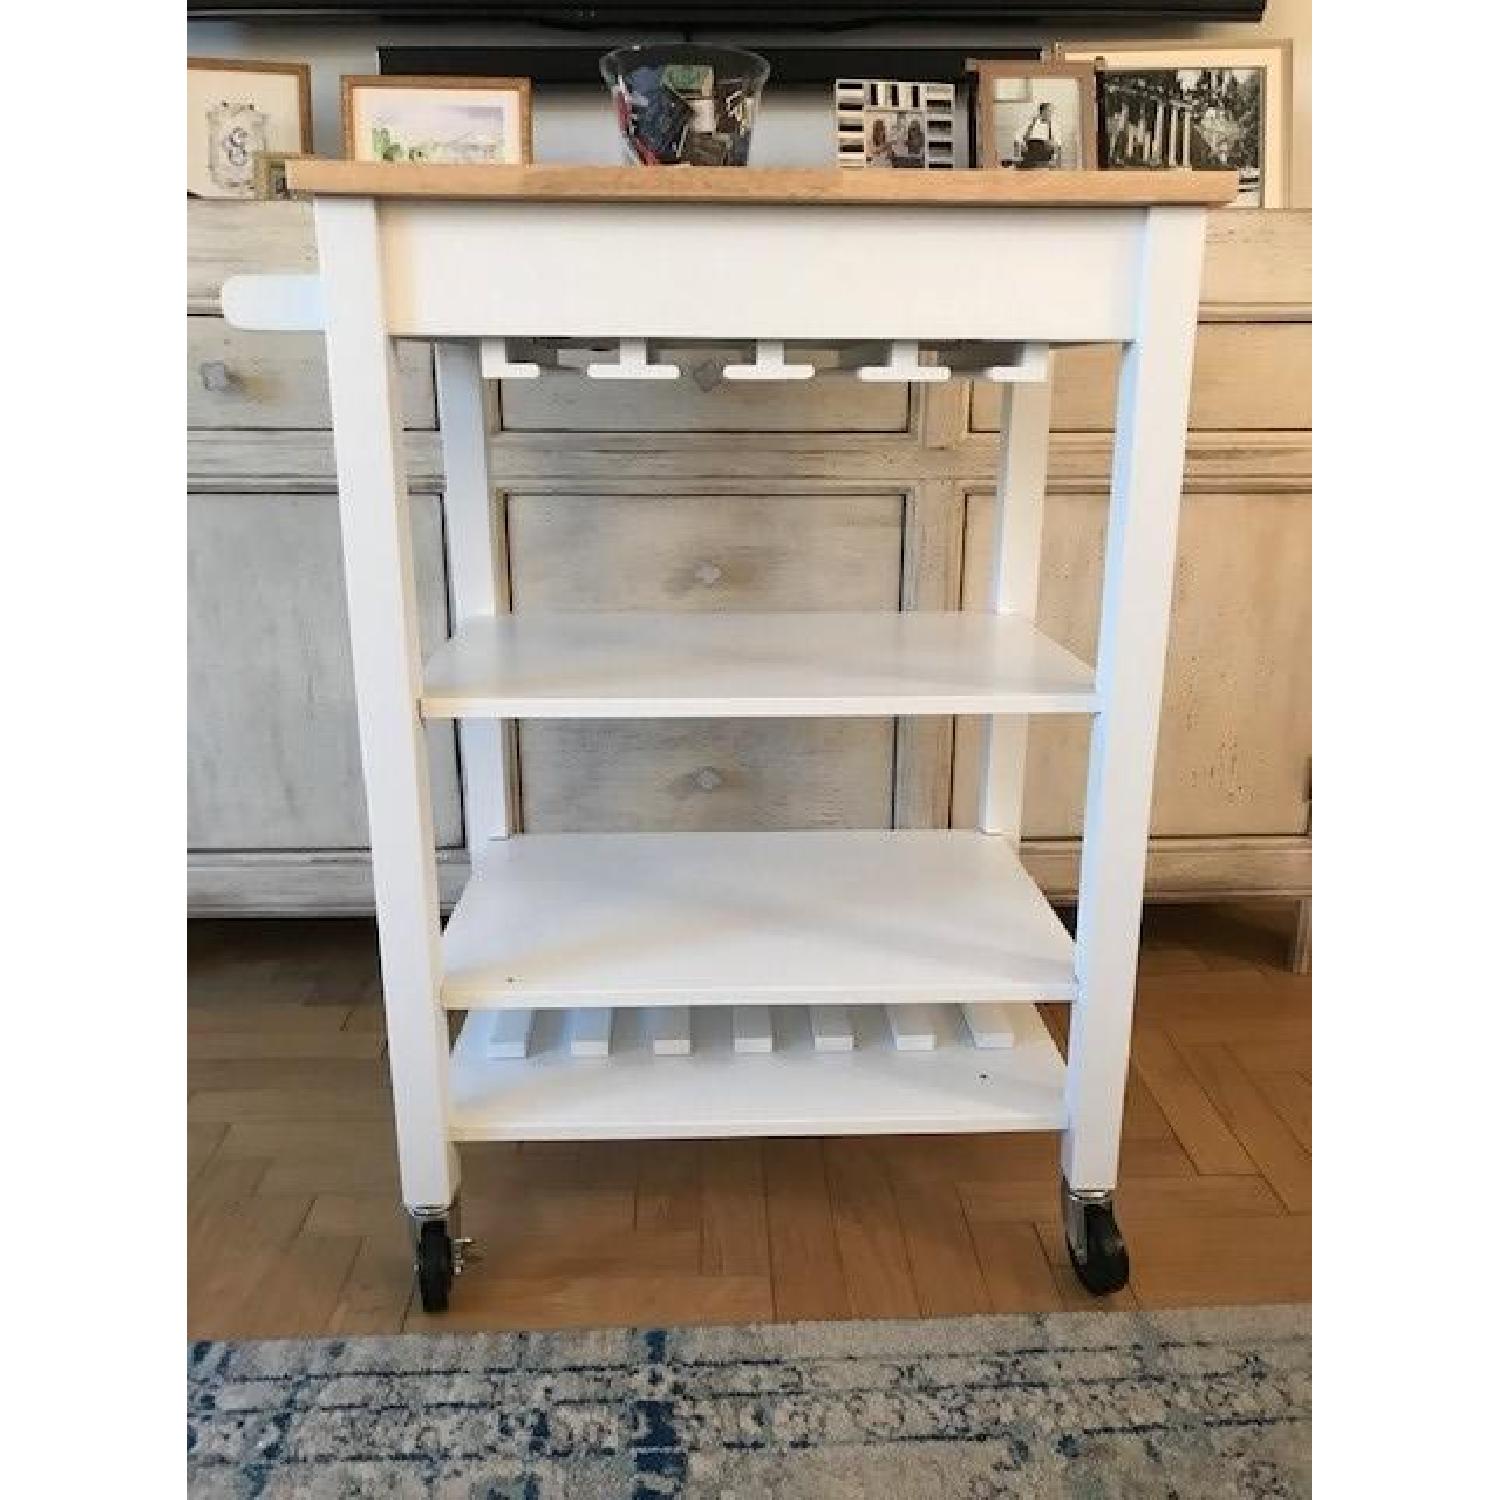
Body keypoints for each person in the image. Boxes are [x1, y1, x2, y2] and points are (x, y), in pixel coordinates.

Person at [1015, 100, 1059, 168]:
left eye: (1051, 111)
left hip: (1045, 156)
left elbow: (1057, 144)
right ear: (1042, 111)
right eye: (1048, 111)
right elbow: (1017, 137)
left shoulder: (1053, 126)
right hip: (1029, 154)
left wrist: (1054, 158)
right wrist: (1017, 155)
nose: (1050, 114)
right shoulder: (1031, 122)